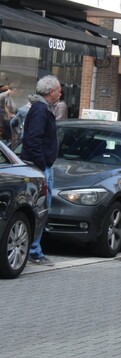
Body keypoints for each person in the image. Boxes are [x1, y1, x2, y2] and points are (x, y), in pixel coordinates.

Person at [20, 75, 62, 266]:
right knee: (40, 208)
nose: (61, 93)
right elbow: (33, 139)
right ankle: (34, 251)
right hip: (41, 167)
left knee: (40, 208)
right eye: (59, 90)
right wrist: (43, 163)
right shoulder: (40, 110)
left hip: (42, 164)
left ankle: (34, 249)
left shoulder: (42, 109)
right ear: (51, 91)